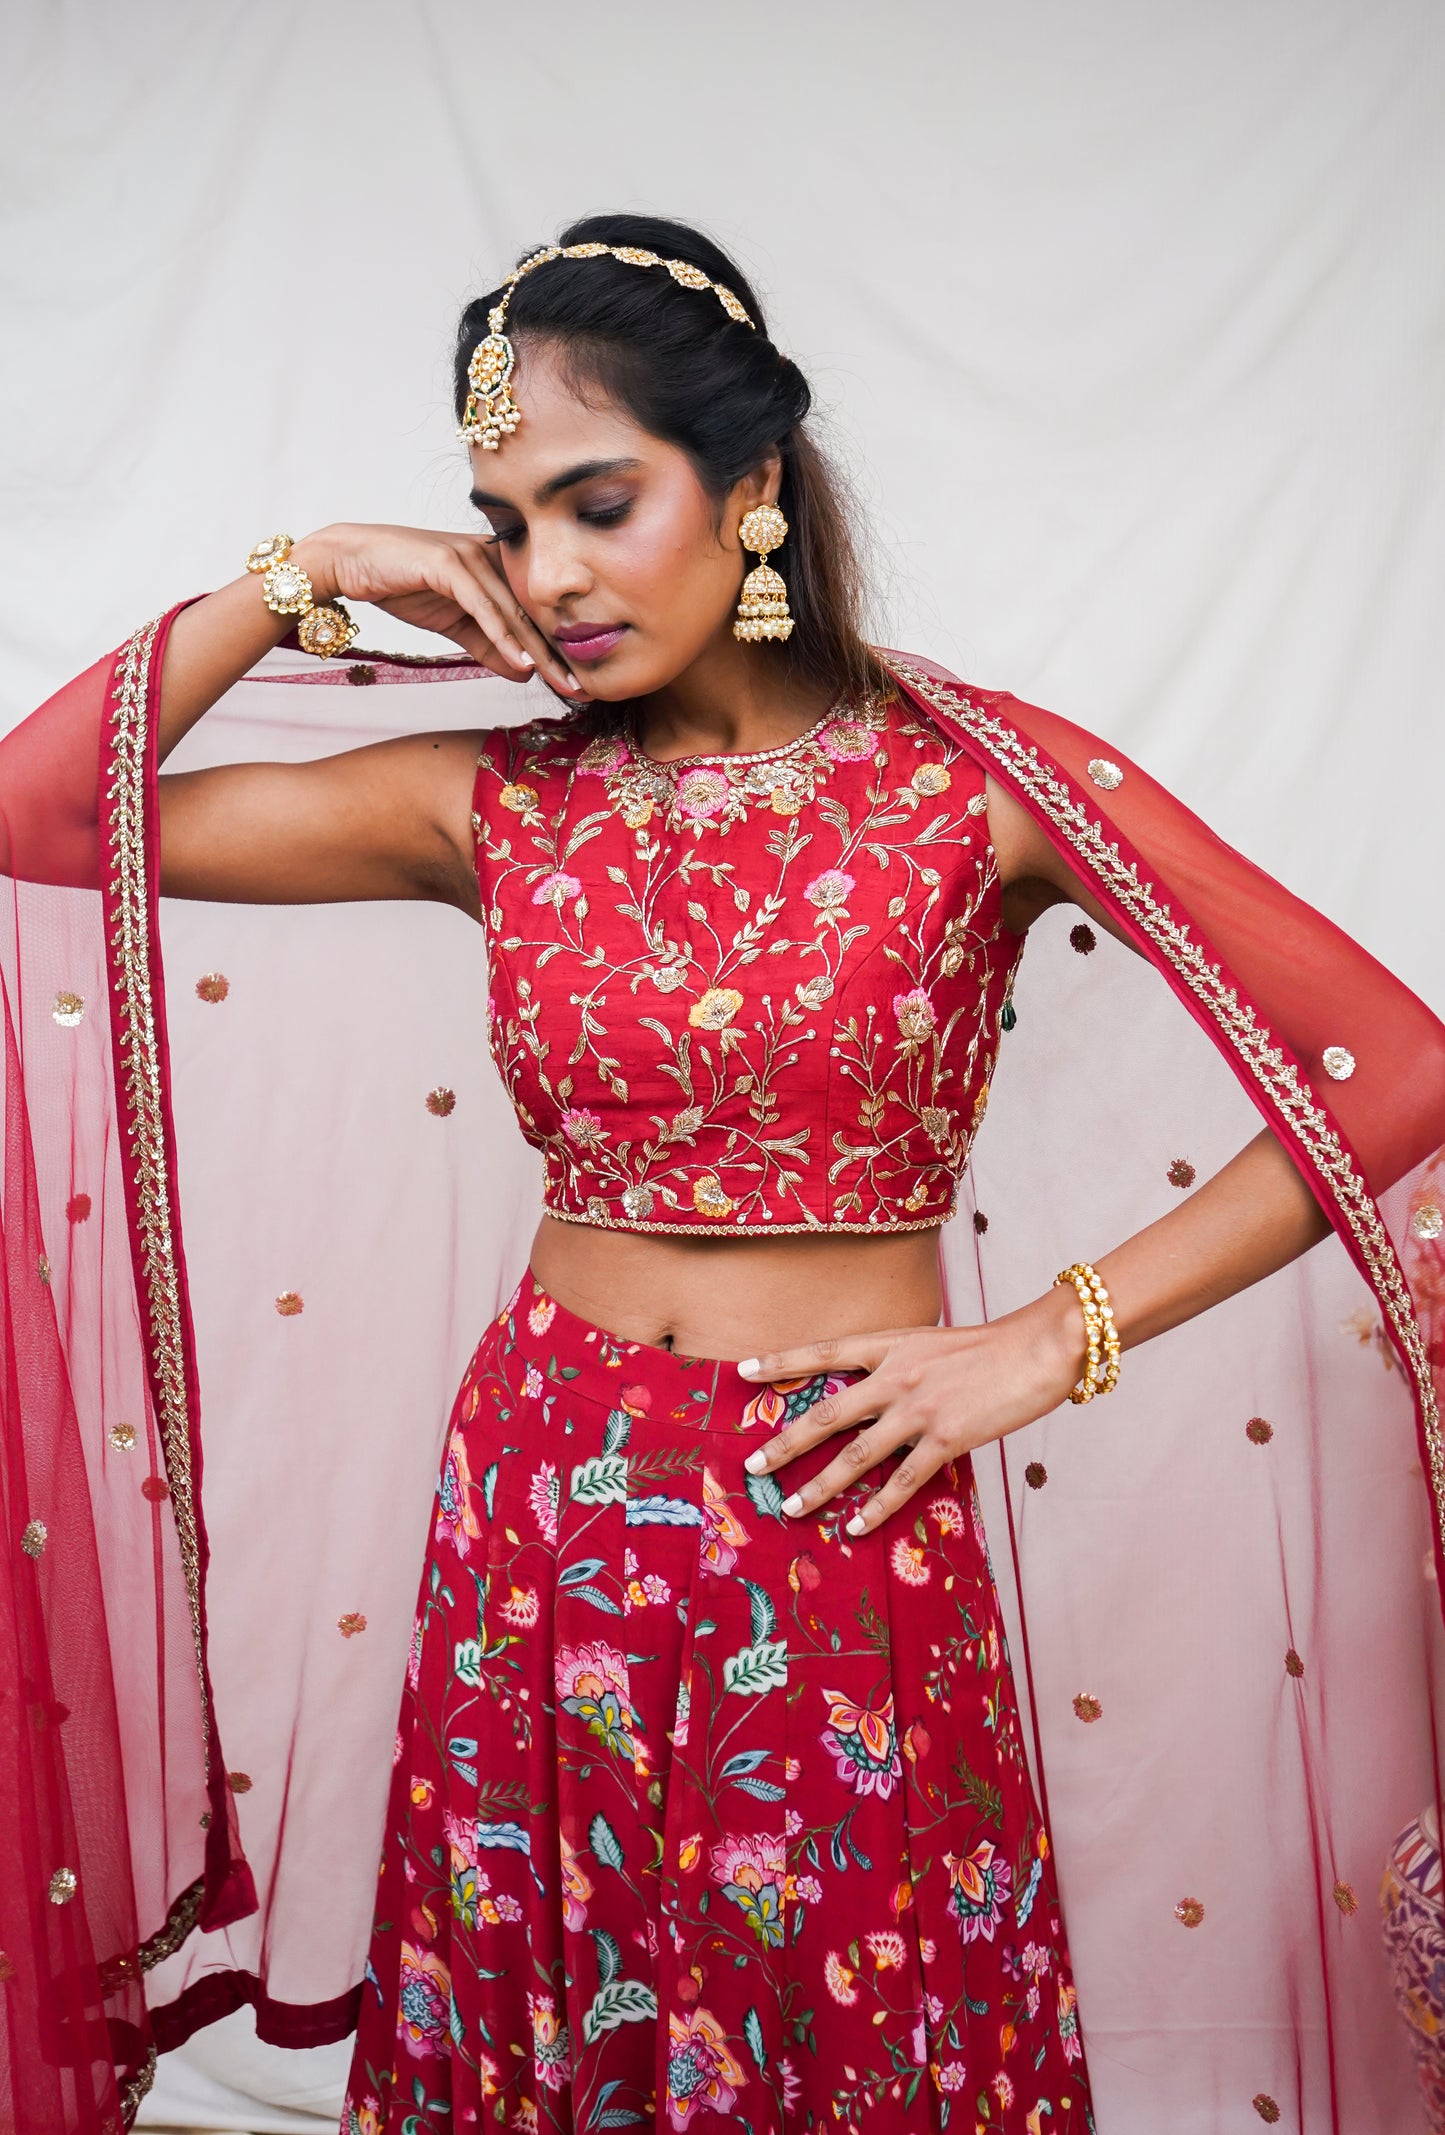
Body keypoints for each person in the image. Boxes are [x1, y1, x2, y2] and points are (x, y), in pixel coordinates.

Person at [3, 213, 1444, 2134]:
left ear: (750, 483)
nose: (556, 573)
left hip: (833, 1508)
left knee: (837, 2019)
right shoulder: (488, 795)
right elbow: (39, 816)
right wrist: (307, 573)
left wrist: (1047, 1339)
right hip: (542, 1504)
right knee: (547, 2005)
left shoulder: (969, 785)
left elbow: (1391, 1067)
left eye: (601, 500)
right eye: (510, 522)